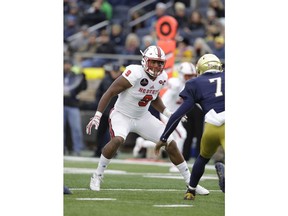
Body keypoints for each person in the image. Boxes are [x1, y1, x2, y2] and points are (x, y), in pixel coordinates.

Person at [85, 45, 207, 193]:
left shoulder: (162, 78)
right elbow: (110, 92)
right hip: (122, 114)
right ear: (145, 61)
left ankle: (191, 183)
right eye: (153, 62)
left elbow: (154, 98)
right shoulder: (134, 73)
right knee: (118, 140)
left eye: (160, 63)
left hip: (143, 116)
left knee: (170, 142)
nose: (156, 66)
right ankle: (97, 175)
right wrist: (98, 115)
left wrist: (168, 113)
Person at [155, 53, 225, 200]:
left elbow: (178, 113)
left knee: (202, 158)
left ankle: (191, 191)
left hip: (211, 127)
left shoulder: (195, 84)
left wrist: (164, 137)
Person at [64, 59, 87, 156]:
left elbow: (83, 87)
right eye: (65, 64)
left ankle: (77, 149)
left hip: (72, 104)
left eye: (68, 64)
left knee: (76, 128)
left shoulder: (75, 75)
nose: (66, 66)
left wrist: (83, 76)